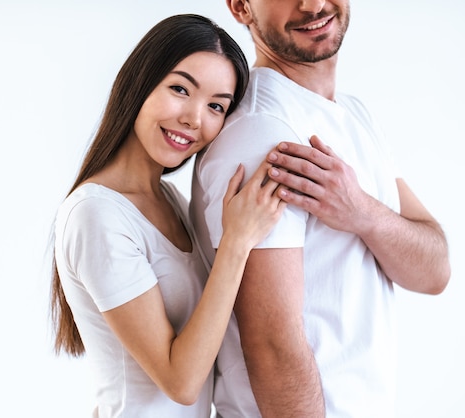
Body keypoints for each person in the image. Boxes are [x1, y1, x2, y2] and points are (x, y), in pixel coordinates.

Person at [190, 1, 452, 417]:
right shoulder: (264, 131)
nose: (312, 5)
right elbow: (273, 346)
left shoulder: (355, 115)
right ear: (241, 7)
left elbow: (435, 270)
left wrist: (362, 212)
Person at [50, 14, 288, 417]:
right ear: (140, 82)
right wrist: (237, 241)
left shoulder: (171, 200)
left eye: (216, 106)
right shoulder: (96, 214)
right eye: (180, 89)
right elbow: (181, 382)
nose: (194, 119)